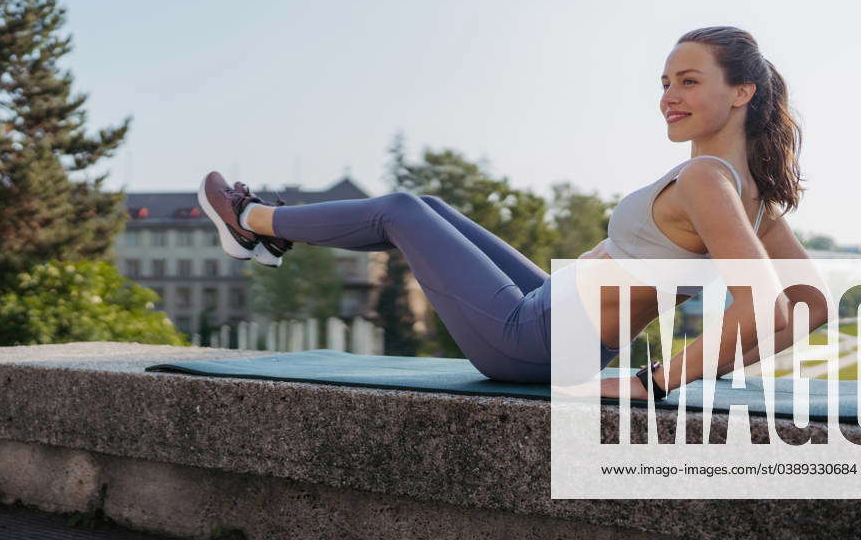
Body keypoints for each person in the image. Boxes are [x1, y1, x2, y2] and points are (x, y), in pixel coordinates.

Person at [198, 26, 825, 400]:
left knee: (400, 210)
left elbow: (772, 306)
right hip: (553, 312)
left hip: (533, 343)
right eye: (664, 82)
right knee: (430, 207)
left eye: (689, 81)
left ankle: (251, 222)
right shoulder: (751, 193)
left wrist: (654, 382)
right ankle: (256, 230)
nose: (668, 97)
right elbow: (812, 306)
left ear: (741, 92)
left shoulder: (708, 180)